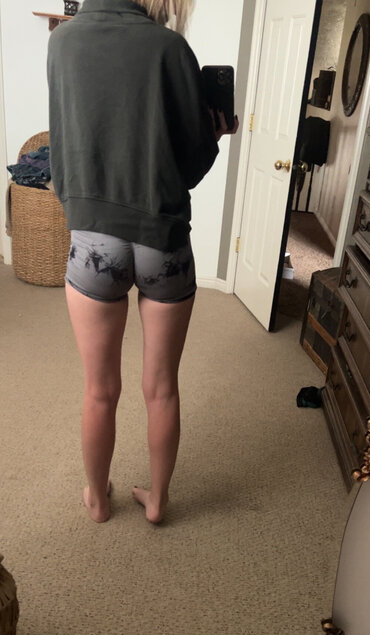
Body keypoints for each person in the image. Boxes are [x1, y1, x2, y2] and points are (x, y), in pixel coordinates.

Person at [47, 0, 239, 524]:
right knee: (162, 388)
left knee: (99, 390)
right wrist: (214, 135)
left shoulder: (62, 43)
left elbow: (62, 145)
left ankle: (96, 498)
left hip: (94, 240)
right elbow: (189, 167)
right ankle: (157, 501)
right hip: (163, 241)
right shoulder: (171, 48)